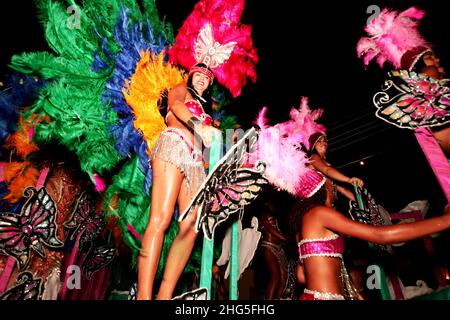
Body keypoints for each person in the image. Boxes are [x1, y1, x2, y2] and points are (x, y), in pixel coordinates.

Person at [288, 169, 450, 300]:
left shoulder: (305, 224)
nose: (334, 186)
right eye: (331, 182)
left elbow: (302, 276)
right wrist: (444, 221)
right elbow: (381, 236)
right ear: (324, 187)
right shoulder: (319, 213)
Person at [137, 63, 221, 300]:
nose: (203, 78)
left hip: (196, 164)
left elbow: (209, 148)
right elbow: (175, 106)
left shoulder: (208, 112)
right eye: (200, 74)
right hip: (174, 144)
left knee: (192, 226)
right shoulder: (180, 88)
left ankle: (164, 296)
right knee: (161, 218)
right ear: (191, 75)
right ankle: (144, 296)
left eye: (208, 77)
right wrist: (199, 127)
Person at [308, 132, 363, 202]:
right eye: (319, 141)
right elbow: (326, 170)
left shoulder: (327, 164)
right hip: (317, 202)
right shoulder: (314, 157)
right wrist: (349, 180)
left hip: (330, 203)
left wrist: (360, 202)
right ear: (313, 145)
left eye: (324, 141)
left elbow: (342, 189)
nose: (323, 143)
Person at [259, 196, 290, 299]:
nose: (274, 206)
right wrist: (285, 238)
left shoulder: (274, 216)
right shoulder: (263, 214)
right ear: (267, 204)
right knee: (275, 277)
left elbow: (276, 230)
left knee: (284, 277)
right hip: (269, 247)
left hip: (278, 248)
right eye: (272, 204)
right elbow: (270, 229)